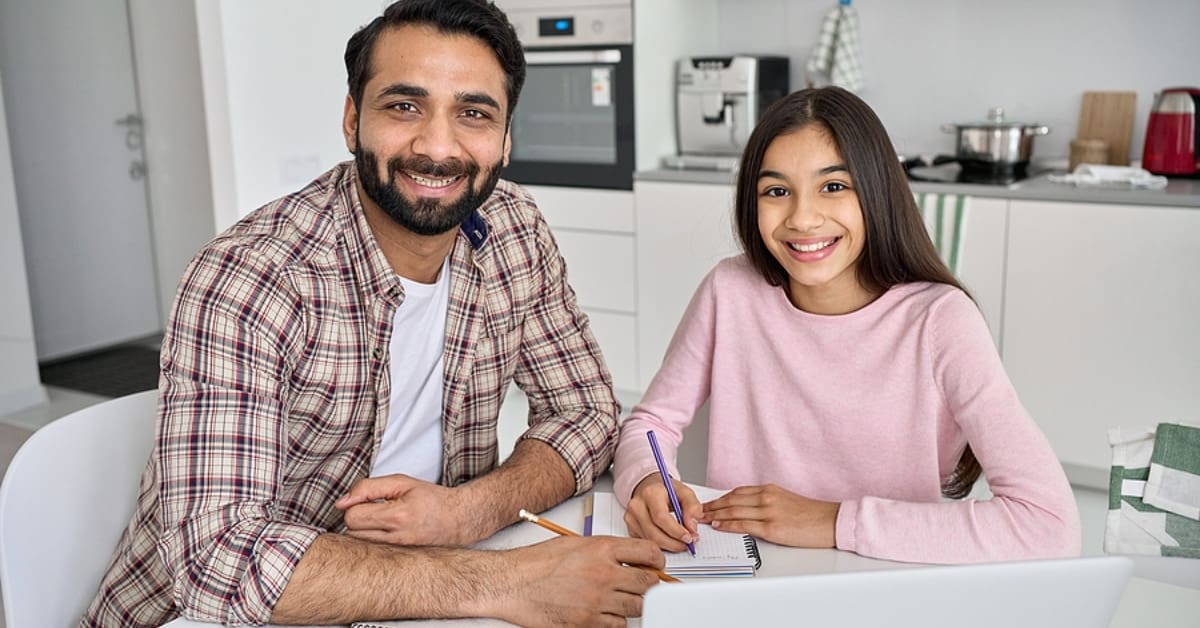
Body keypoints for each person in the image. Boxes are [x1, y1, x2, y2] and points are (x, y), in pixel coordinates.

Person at [83, 1, 664, 626]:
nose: (437, 147)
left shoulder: (513, 230)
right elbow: (216, 564)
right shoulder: (252, 277)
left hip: (426, 595)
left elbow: (588, 412)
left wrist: (468, 512)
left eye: (473, 114)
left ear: (505, 139)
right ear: (352, 118)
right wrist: (506, 581)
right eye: (403, 106)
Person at [613, 87, 1082, 565]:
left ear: (877, 192)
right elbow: (650, 423)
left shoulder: (940, 319)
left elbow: (1048, 524)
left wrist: (832, 520)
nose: (803, 217)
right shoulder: (730, 290)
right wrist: (647, 480)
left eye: (833, 186)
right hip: (748, 575)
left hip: (884, 580)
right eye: (777, 191)